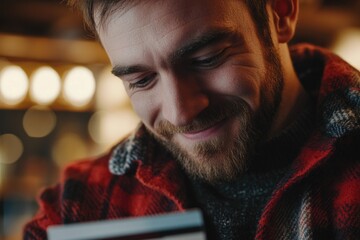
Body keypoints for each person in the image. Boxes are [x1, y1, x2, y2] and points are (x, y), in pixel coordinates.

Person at [24, 0, 360, 239]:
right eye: (141, 81)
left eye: (207, 58)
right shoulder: (79, 206)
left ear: (280, 13)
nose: (180, 113)